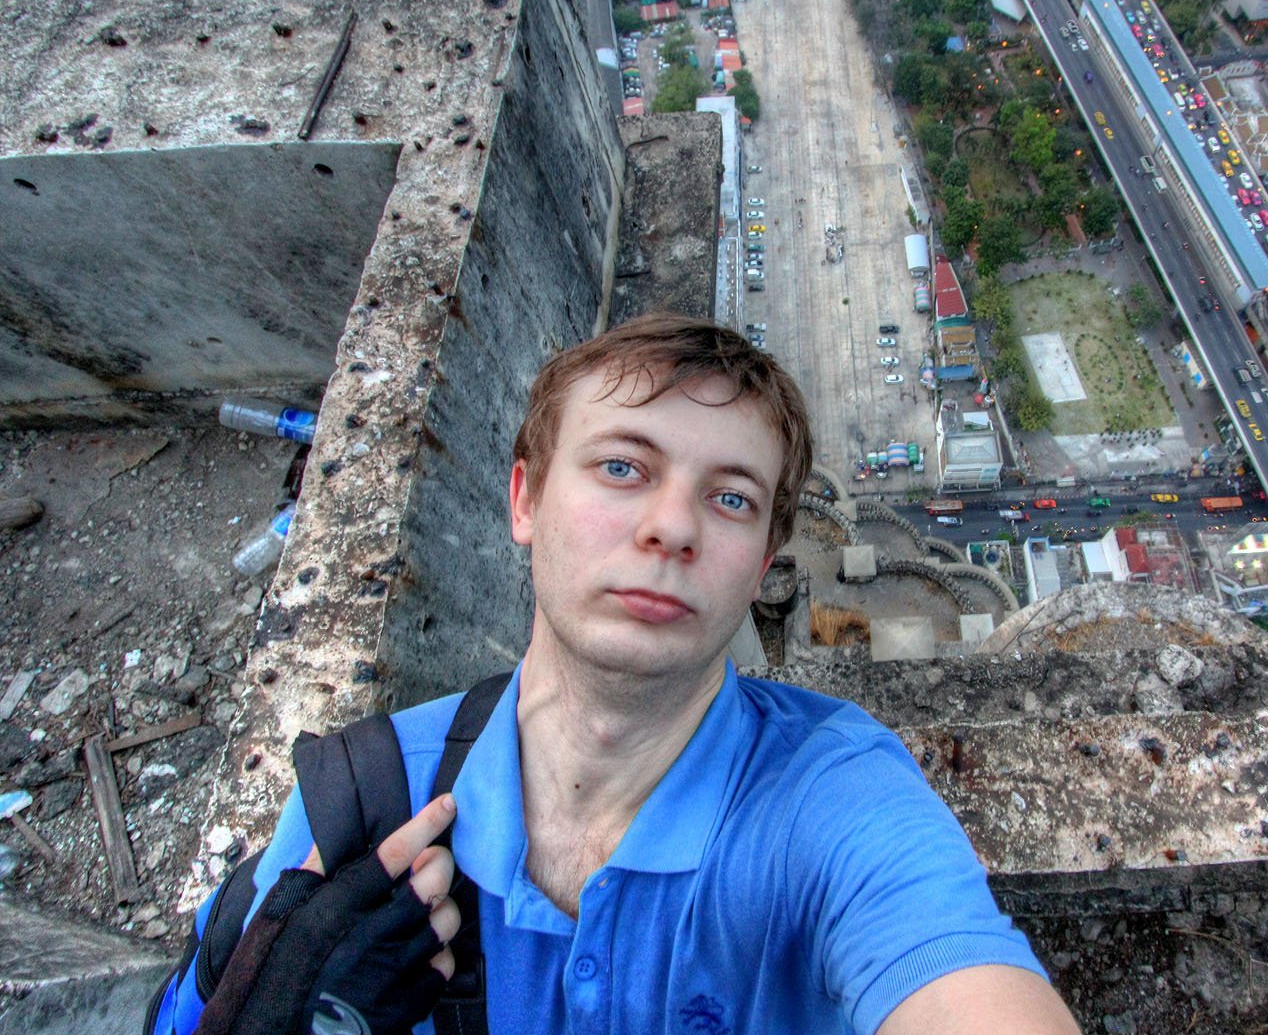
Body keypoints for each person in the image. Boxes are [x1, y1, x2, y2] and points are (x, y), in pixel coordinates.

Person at [152, 313, 1079, 1035]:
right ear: (525, 499)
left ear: (760, 565)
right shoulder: (362, 802)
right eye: (622, 467)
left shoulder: (830, 796)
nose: (671, 527)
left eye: (729, 498)